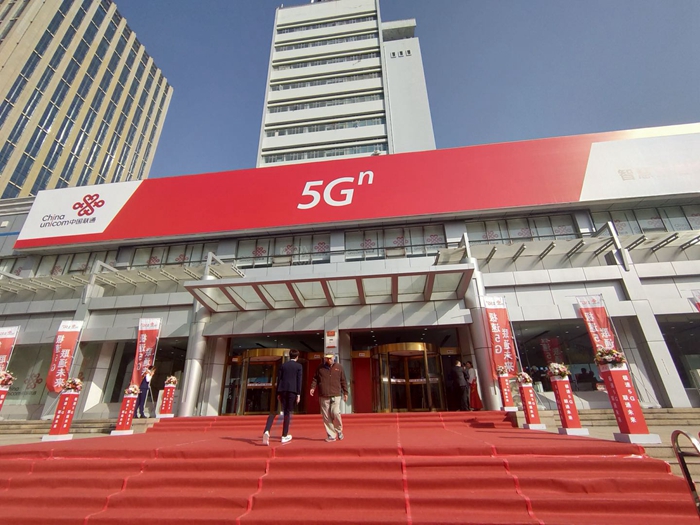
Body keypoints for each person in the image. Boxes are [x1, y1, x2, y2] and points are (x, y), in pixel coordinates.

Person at [262, 349, 303, 445]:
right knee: (287, 413)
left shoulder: (283, 366)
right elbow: (299, 380)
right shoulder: (299, 366)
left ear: (289, 356)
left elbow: (279, 379)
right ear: (297, 357)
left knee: (277, 411)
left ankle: (267, 430)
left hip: (282, 390)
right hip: (292, 391)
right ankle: (284, 435)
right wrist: (298, 394)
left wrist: (278, 393)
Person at [310, 353, 348, 442]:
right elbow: (315, 378)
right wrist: (312, 388)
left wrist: (345, 392)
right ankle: (331, 435)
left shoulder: (339, 367)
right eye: (327, 358)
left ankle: (339, 430)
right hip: (323, 394)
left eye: (330, 358)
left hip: (336, 394)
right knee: (326, 416)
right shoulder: (320, 367)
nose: (329, 360)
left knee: (335, 412)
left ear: (334, 358)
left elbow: (343, 380)